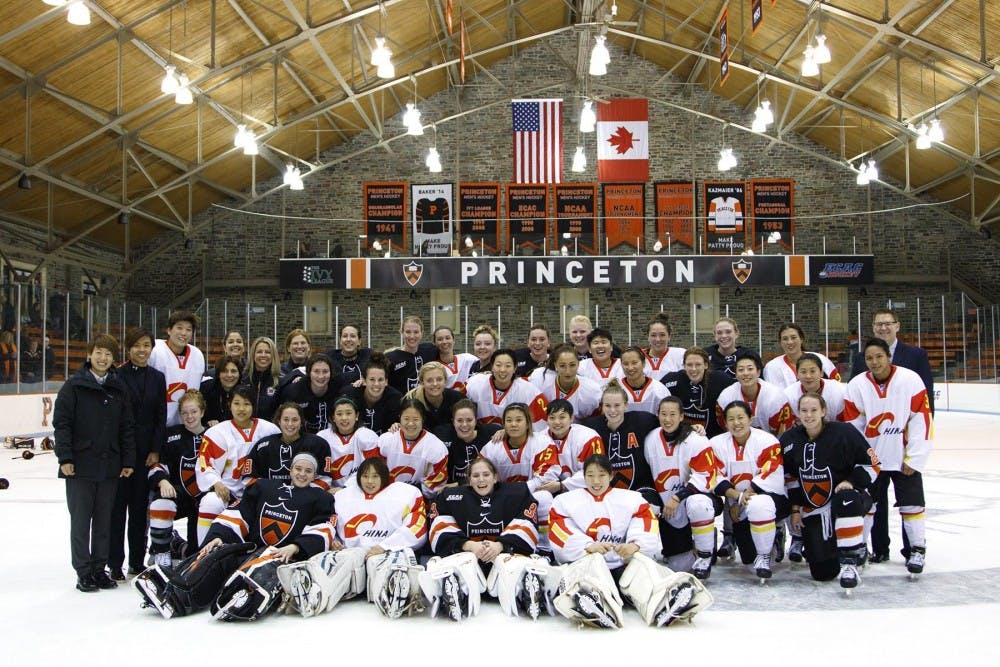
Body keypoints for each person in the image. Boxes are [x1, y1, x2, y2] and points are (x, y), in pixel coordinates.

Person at [135, 452, 337, 621]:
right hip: (252, 547)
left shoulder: (321, 498)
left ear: (315, 475)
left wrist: (296, 547)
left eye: (308, 471)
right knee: (218, 555)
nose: (302, 474)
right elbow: (239, 514)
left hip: (282, 555)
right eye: (298, 469)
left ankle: (244, 599)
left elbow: (323, 529)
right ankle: (177, 592)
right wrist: (219, 536)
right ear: (291, 470)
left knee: (264, 565)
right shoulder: (264, 487)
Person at [548, 455, 712, 628]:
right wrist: (588, 546)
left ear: (611, 476)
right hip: (589, 566)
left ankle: (663, 603)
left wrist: (635, 545)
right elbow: (559, 530)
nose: (596, 481)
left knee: (641, 567)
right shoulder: (565, 502)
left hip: (622, 565)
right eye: (590, 475)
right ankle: (592, 601)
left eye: (601, 475)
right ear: (583, 476)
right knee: (591, 566)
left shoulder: (632, 499)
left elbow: (647, 524)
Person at [275, 457, 429, 619]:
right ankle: (313, 589)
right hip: (353, 551)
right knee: (338, 560)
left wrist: (385, 546)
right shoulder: (343, 496)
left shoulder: (407, 493)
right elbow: (329, 523)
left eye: (375, 476)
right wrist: (334, 541)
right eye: (365, 476)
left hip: (388, 551)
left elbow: (416, 527)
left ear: (384, 476)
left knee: (387, 562)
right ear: (358, 477)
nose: (370, 481)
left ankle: (394, 591)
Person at [428, 457, 561, 619]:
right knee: (456, 563)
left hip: (504, 556)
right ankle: (455, 589)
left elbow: (527, 524)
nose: (481, 479)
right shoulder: (450, 497)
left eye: (486, 474)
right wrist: (469, 545)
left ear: (495, 477)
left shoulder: (517, 494)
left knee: (521, 563)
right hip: (468, 557)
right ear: (469, 480)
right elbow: (439, 526)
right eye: (475, 476)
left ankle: (527, 590)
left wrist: (500, 546)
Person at [53, 333, 136, 592]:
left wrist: (128, 459)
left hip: (110, 465)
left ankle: (100, 569)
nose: (103, 358)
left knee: (104, 520)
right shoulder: (73, 386)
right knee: (81, 521)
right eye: (99, 352)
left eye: (108, 354)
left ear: (114, 359)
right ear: (90, 354)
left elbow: (126, 427)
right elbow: (62, 424)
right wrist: (65, 457)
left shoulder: (118, 387)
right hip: (80, 465)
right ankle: (84, 571)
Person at [844, 338, 932, 572]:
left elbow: (922, 419)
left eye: (879, 356)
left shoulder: (910, 380)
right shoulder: (856, 385)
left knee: (912, 505)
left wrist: (914, 456)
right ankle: (861, 546)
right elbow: (854, 427)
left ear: (889, 357)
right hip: (872, 460)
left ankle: (916, 549)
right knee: (867, 505)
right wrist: (861, 459)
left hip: (903, 457)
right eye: (869, 358)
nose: (874, 362)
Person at [781, 392, 878, 591]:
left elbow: (873, 466)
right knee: (822, 572)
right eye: (804, 411)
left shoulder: (844, 432)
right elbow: (790, 479)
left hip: (848, 499)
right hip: (815, 508)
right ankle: (836, 546)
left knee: (846, 500)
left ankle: (851, 561)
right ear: (797, 413)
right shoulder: (789, 439)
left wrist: (851, 482)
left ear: (824, 411)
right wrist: (795, 509)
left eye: (814, 410)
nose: (809, 415)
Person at [708, 401, 789, 581]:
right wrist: (737, 498)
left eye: (740, 418)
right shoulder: (716, 444)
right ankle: (764, 543)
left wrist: (746, 495)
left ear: (750, 419)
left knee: (759, 504)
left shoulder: (767, 441)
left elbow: (771, 473)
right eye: (731, 419)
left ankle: (765, 554)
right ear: (725, 422)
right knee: (747, 558)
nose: (736, 423)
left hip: (771, 501)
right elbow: (715, 476)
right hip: (739, 505)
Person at [110, 327, 167, 580]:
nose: (142, 350)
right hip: (121, 453)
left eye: (146, 345)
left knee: (138, 510)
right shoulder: (116, 376)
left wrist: (155, 449)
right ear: (128, 348)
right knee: (117, 510)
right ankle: (114, 563)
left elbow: (160, 416)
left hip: (146, 454)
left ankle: (136, 560)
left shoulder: (157, 377)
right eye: (137, 345)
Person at [644, 397, 722, 577]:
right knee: (680, 566)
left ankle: (705, 553)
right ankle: (700, 539)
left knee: (698, 505)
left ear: (681, 417)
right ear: (658, 415)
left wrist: (677, 497)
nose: (667, 419)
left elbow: (707, 476)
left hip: (694, 500)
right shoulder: (651, 439)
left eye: (673, 414)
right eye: (663, 414)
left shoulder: (697, 440)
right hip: (669, 510)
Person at [194, 385, 280, 543]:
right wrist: (216, 483)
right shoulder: (217, 433)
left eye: (247, 404)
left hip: (259, 493)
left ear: (254, 406)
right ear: (229, 405)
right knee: (210, 502)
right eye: (237, 403)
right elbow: (205, 463)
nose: (242, 409)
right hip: (228, 492)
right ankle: (203, 552)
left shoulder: (270, 430)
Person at [479, 403, 562, 551]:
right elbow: (480, 475)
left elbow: (547, 475)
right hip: (500, 496)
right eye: (509, 420)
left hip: (531, 494)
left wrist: (520, 490)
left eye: (519, 420)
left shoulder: (541, 442)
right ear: (503, 424)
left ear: (528, 423)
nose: (514, 424)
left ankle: (544, 549)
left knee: (544, 497)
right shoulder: (492, 447)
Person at [147, 390, 207, 568]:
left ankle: (178, 545)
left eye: (194, 411)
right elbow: (157, 465)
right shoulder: (171, 435)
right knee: (160, 502)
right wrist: (162, 480)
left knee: (194, 556)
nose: (189, 417)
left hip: (204, 500)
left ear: (202, 412)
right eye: (184, 413)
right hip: (179, 494)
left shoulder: (215, 434)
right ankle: (161, 551)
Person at [582, 380, 660, 503]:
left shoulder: (642, 421)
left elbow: (669, 426)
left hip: (641, 489)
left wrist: (688, 428)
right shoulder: (591, 427)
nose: (612, 410)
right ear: (602, 406)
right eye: (607, 406)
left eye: (617, 405)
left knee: (650, 506)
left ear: (626, 405)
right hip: (605, 490)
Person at [851, 308, 935, 414]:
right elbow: (853, 391)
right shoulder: (861, 358)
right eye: (879, 324)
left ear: (897, 326)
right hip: (872, 422)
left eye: (887, 324)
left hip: (905, 422)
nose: (883, 328)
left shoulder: (916, 355)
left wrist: (929, 421)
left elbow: (926, 391)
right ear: (873, 327)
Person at [367, 398, 449, 498]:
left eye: (415, 419)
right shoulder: (385, 440)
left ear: (422, 419)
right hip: (385, 496)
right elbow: (373, 471)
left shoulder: (436, 448)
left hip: (418, 500)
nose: (410, 424)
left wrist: (407, 492)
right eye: (406, 419)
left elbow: (436, 485)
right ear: (399, 418)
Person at [465, 349, 549, 431]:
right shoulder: (475, 383)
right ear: (492, 367)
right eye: (498, 365)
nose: (502, 370)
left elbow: (545, 420)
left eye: (508, 366)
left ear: (515, 368)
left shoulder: (528, 390)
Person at [148, 310, 206, 427]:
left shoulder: (197, 355)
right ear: (169, 330)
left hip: (185, 425)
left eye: (188, 330)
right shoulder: (155, 350)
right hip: (155, 423)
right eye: (179, 328)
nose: (184, 333)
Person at [716, 350, 794, 436]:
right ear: (736, 374)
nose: (745, 373)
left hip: (771, 446)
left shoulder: (776, 397)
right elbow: (725, 428)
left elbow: (783, 433)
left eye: (750, 369)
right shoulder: (726, 397)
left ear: (758, 372)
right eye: (741, 370)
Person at [248, 402, 329, 483]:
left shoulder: (317, 444)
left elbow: (325, 479)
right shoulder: (263, 446)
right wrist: (269, 490)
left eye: (295, 420)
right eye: (286, 419)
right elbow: (248, 479)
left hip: (305, 495)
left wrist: (305, 493)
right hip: (271, 495)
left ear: (301, 422)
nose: (290, 424)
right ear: (279, 421)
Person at [661, 347, 731, 438]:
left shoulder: (720, 379)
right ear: (684, 365)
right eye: (689, 365)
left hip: (714, 439)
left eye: (698, 364)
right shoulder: (673, 380)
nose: (693, 369)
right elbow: (657, 389)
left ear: (706, 365)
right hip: (683, 438)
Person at [315, 396, 380, 491]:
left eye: (349, 413)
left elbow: (372, 470)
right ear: (333, 417)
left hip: (360, 489)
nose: (344, 418)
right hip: (330, 491)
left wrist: (347, 489)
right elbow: (317, 471)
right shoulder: (322, 437)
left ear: (356, 415)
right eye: (339, 414)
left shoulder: (367, 436)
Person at [431, 398, 501, 485]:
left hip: (482, 486)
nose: (464, 425)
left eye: (469, 420)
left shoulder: (491, 432)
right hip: (452, 491)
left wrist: (505, 432)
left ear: (476, 421)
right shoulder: (441, 434)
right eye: (459, 420)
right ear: (453, 422)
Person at [540, 399, 604, 490]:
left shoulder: (588, 437)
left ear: (571, 418)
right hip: (550, 492)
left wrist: (562, 485)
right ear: (547, 420)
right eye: (552, 418)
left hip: (585, 491)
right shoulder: (539, 440)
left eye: (562, 417)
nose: (557, 422)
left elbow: (595, 472)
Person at [528, 343, 602, 421]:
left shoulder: (591, 390)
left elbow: (594, 420)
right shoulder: (540, 378)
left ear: (578, 364)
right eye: (562, 366)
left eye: (572, 365)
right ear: (555, 365)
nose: (568, 371)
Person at [279, 353, 346, 433]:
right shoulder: (294, 391)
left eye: (325, 371)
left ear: (331, 373)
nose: (321, 376)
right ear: (309, 373)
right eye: (316, 371)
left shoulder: (339, 386)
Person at [763, 322, 842, 389]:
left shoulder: (821, 359)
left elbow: (837, 386)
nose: (790, 342)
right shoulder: (772, 367)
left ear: (801, 339)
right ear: (780, 342)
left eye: (793, 337)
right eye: (785, 339)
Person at [339, 352, 403, 435]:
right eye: (372, 379)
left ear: (386, 381)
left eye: (380, 380)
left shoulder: (395, 398)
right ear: (364, 380)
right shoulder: (350, 395)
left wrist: (398, 425)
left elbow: (401, 423)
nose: (376, 384)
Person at [785, 352, 847, 422]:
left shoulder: (838, 390)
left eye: (812, 371)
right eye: (803, 372)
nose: (808, 376)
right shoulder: (788, 395)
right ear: (797, 375)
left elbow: (845, 424)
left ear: (821, 373)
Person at [404, 361, 465, 431]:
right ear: (422, 383)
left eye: (439, 379)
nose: (435, 384)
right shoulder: (411, 402)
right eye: (429, 380)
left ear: (445, 380)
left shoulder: (458, 399)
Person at [386, 315, 439, 393]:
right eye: (408, 332)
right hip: (401, 403)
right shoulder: (390, 358)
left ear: (422, 333)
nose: (412, 336)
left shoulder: (430, 350)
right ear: (401, 333)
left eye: (416, 332)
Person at [620, 345, 670, 414]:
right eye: (625, 364)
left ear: (643, 364)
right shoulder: (617, 389)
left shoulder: (659, 389)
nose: (630, 368)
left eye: (634, 363)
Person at [199, 355, 245, 426]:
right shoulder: (206, 389)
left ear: (239, 374)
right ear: (218, 374)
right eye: (225, 371)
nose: (229, 375)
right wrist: (208, 422)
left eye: (233, 371)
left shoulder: (245, 393)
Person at [245, 336, 282, 420]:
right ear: (253, 354)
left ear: (273, 355)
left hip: (271, 430)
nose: (263, 355)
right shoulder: (243, 379)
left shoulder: (281, 381)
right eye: (259, 352)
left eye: (268, 352)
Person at [704, 317, 753, 381]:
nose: (724, 336)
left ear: (736, 333)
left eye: (728, 332)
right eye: (719, 333)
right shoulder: (705, 355)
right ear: (715, 335)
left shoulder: (749, 355)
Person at [432, 325, 477, 392]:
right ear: (435, 343)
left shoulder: (468, 359)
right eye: (440, 339)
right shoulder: (434, 368)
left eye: (447, 338)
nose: (444, 342)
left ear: (453, 340)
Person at [643, 313, 686, 381]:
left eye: (662, 335)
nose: (658, 339)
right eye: (653, 335)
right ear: (647, 337)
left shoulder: (681, 355)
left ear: (669, 336)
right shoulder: (638, 357)